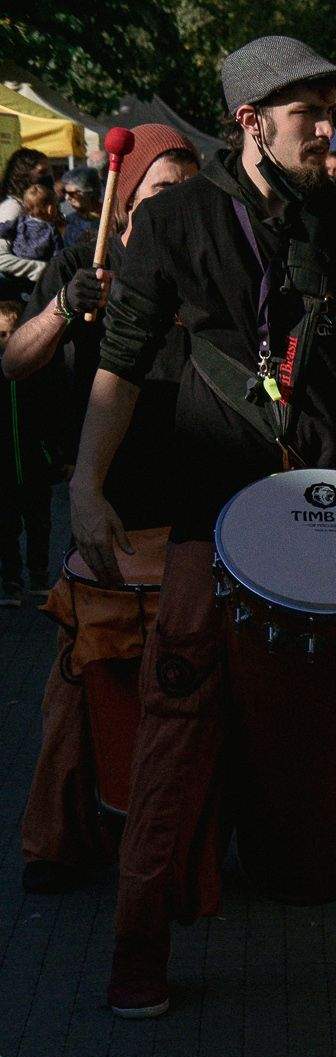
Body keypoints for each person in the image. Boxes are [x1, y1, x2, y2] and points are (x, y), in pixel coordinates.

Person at [69, 35, 336, 1018]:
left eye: (329, 108)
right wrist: (87, 482)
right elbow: (121, 364)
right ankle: (140, 947)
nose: (327, 127)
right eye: (307, 112)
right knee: (180, 724)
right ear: (250, 121)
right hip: (216, 512)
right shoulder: (176, 220)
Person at [5, 126, 199, 894]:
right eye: (158, 195)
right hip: (109, 525)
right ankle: (60, 839)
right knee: (76, 695)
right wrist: (60, 306)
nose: (173, 210)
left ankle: (193, 837)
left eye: (185, 195)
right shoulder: (80, 266)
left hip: (193, 525)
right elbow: (14, 362)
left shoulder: (212, 270)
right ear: (125, 207)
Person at [0, 298, 46, 605]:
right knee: (6, 525)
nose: (5, 340)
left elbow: (53, 410)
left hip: (36, 461)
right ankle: (12, 581)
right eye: (1, 335)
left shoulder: (38, 368)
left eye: (10, 333)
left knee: (40, 522)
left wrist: (56, 453)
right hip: (2, 465)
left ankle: (39, 578)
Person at [0, 149, 55, 300]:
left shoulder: (31, 208)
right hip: (14, 296)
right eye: (42, 172)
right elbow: (1, 259)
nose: (48, 177)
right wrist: (42, 269)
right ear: (23, 174)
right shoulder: (14, 208)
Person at [58, 169, 101, 250]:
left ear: (89, 192)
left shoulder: (110, 217)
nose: (67, 198)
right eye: (65, 192)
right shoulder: (69, 220)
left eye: (72, 193)